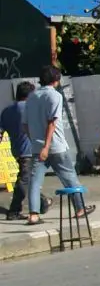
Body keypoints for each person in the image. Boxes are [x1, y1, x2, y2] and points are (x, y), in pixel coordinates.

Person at [23, 65, 94, 226]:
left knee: (35, 182)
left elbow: (25, 125)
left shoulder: (32, 97)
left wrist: (36, 142)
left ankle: (33, 215)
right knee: (69, 177)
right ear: (56, 80)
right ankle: (80, 208)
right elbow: (52, 122)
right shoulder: (55, 96)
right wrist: (47, 146)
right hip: (55, 146)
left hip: (37, 148)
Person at [2, 82, 51, 220]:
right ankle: (14, 211)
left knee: (28, 178)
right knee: (25, 179)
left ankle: (42, 203)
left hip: (17, 150)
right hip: (30, 149)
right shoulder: (30, 109)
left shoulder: (7, 111)